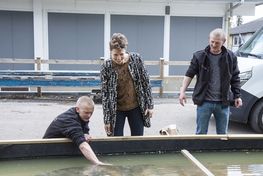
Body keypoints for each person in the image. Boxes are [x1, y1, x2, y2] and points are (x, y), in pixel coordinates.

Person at [179, 28, 243, 134]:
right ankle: (200, 149)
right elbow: (189, 74)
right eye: (212, 41)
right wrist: (182, 92)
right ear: (209, 39)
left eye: (217, 43)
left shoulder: (231, 57)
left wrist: (237, 96)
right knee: (200, 133)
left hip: (223, 103)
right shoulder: (199, 56)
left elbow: (235, 78)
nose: (213, 45)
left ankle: (220, 150)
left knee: (222, 134)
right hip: (204, 102)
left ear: (224, 42)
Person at [101, 33, 154, 136]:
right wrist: (107, 119)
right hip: (116, 109)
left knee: (137, 138)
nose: (119, 58)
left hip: (136, 106)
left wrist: (150, 105)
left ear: (125, 50)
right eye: (115, 55)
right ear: (110, 52)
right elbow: (105, 94)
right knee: (116, 140)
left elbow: (146, 82)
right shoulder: (106, 66)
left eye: (121, 54)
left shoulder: (136, 59)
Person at [43, 96, 106, 165]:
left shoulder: (81, 115)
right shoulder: (69, 120)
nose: (89, 115)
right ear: (77, 109)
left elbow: (84, 130)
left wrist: (85, 133)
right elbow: (82, 145)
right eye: (86, 112)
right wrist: (98, 163)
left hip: (62, 150)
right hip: (47, 153)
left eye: (91, 113)